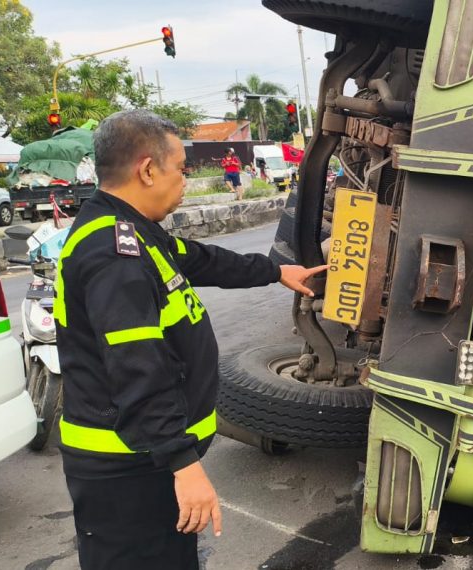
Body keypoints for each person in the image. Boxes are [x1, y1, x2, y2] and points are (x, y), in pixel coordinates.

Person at [54, 110, 327, 569]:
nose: (185, 180)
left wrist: (276, 271)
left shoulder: (135, 232)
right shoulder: (114, 254)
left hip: (146, 461)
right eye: (181, 169)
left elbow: (200, 259)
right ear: (147, 170)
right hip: (128, 470)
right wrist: (183, 464)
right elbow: (138, 368)